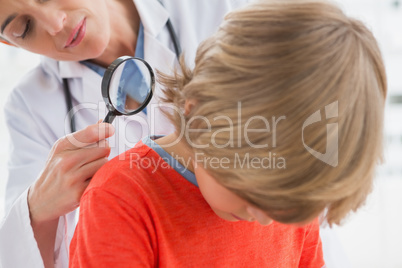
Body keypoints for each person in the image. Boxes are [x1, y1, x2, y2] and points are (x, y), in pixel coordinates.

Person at [69, 0, 387, 266]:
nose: (264, 219)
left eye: (283, 209)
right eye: (252, 193)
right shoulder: (120, 202)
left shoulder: (291, 193)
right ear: (197, 111)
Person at [0, 0, 248, 267]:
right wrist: (37, 209)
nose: (55, 23)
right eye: (25, 28)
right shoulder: (29, 106)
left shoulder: (216, 8)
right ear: (9, 43)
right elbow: (18, 256)